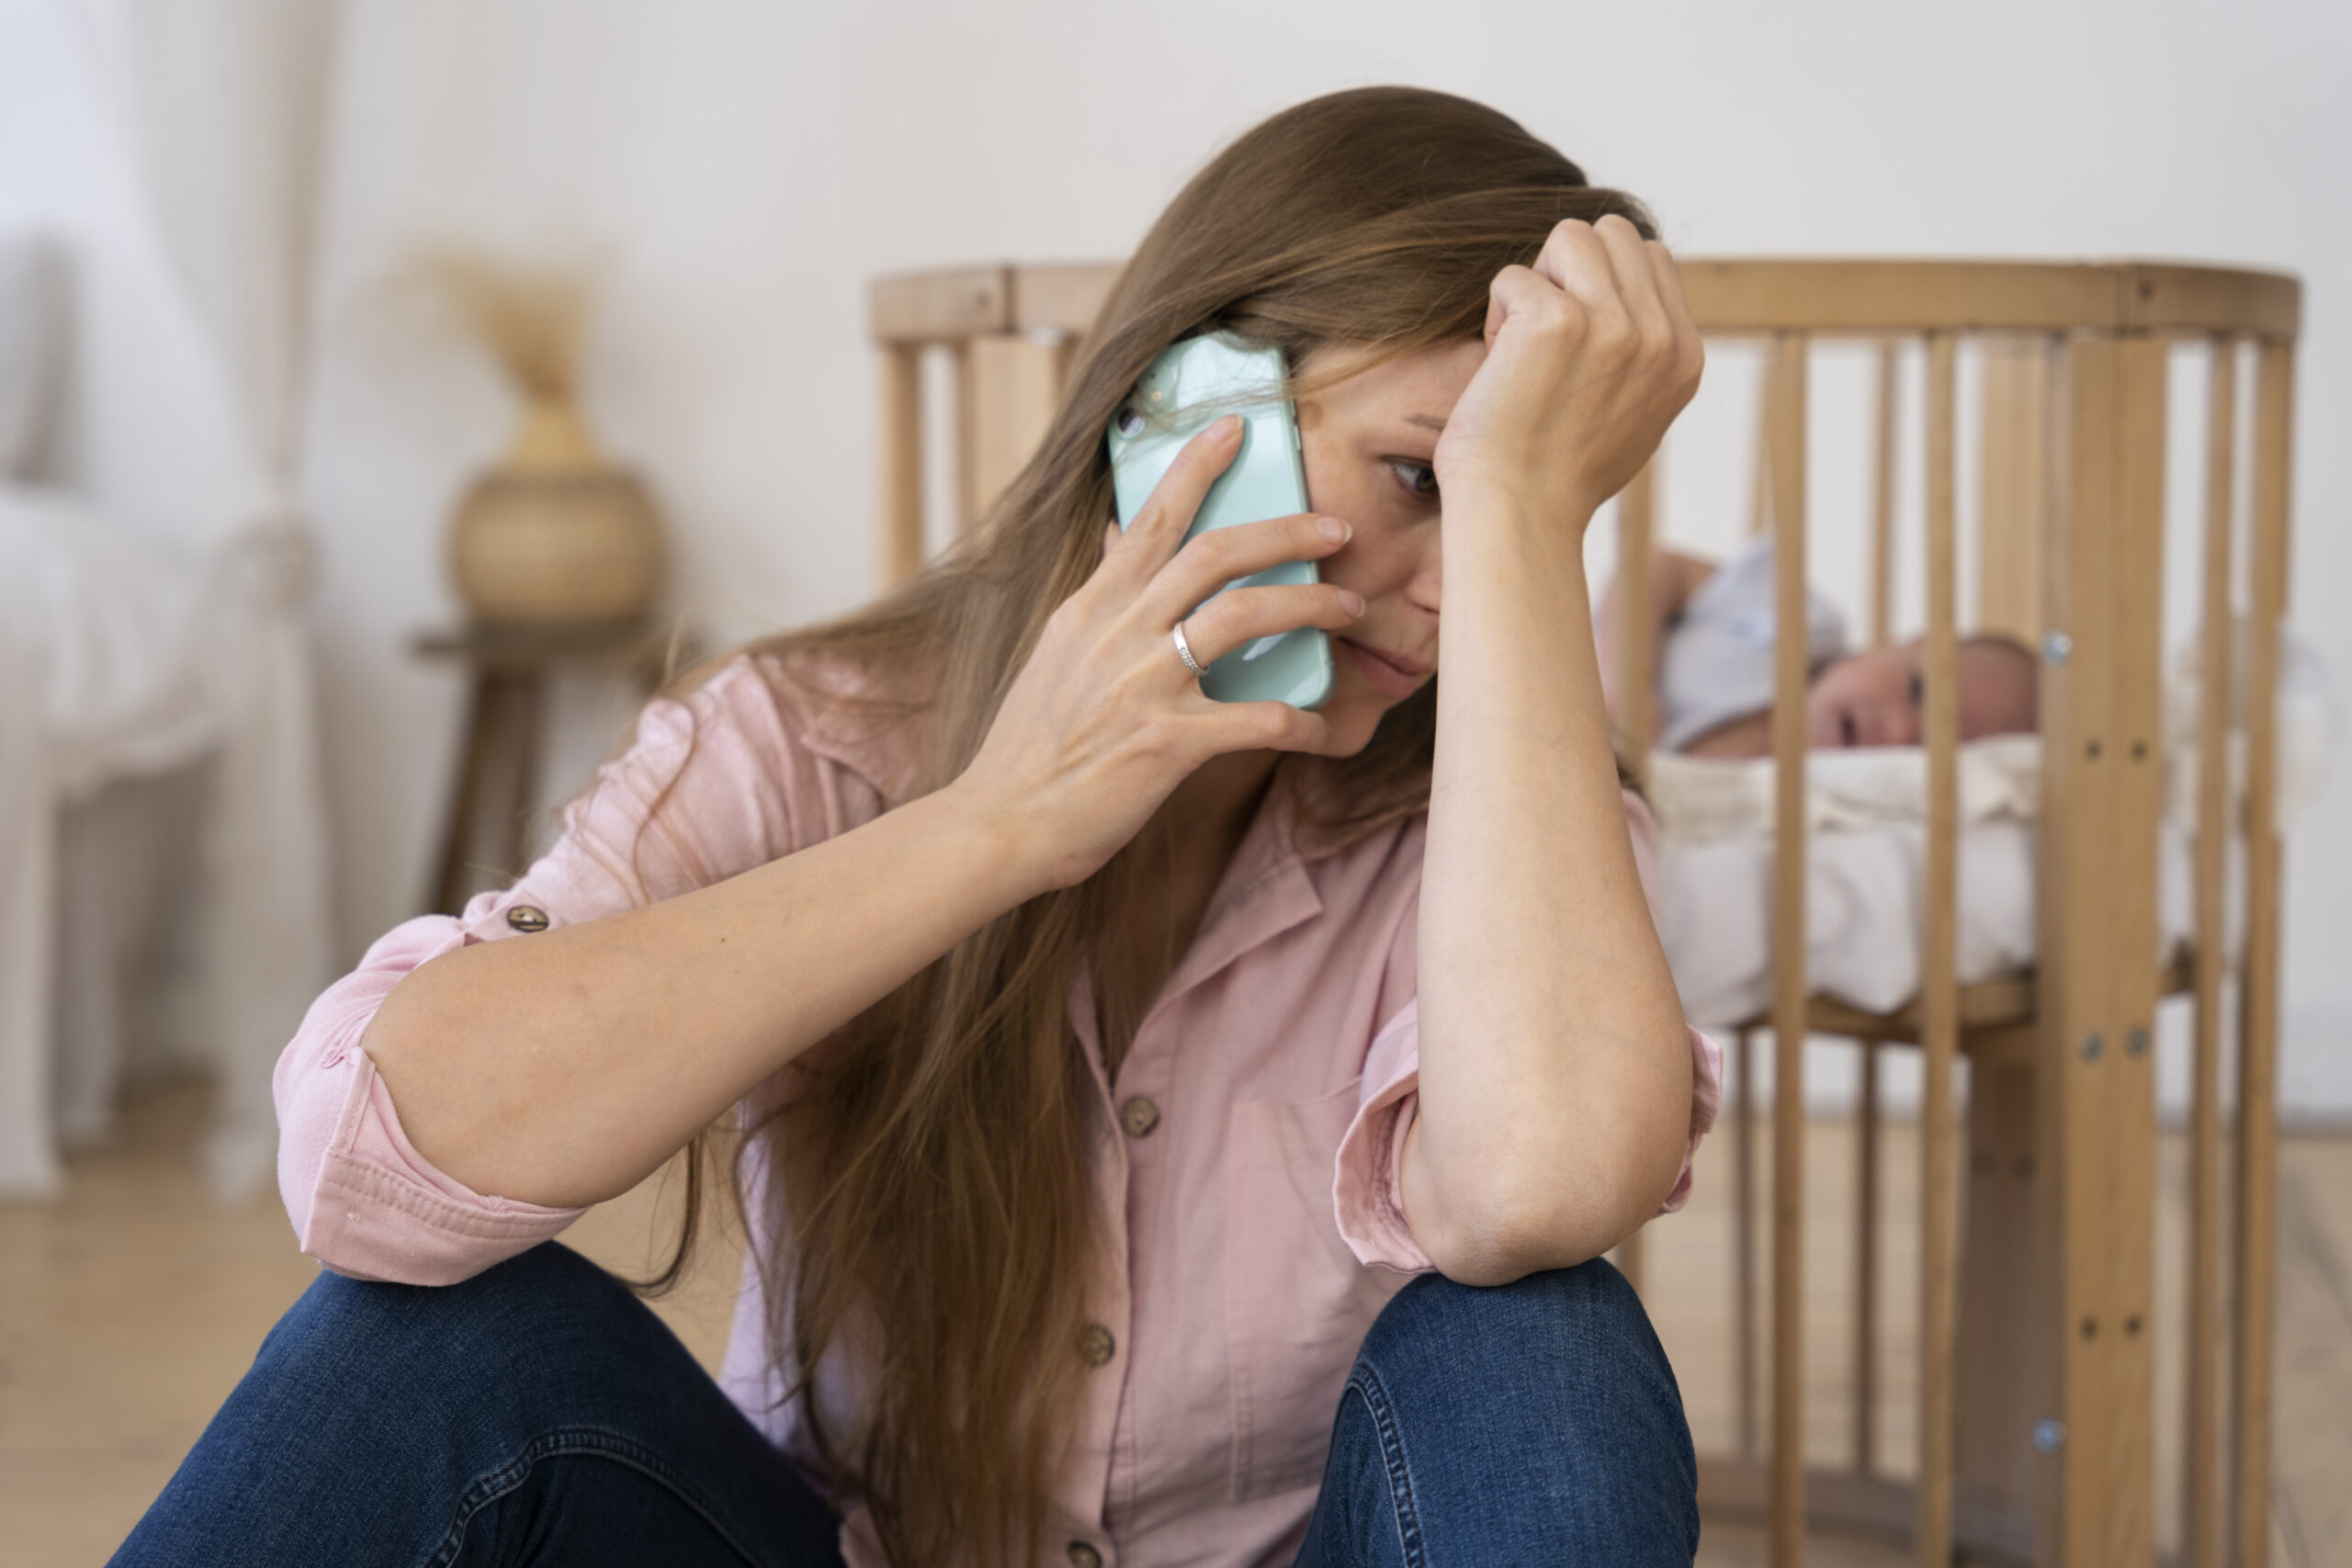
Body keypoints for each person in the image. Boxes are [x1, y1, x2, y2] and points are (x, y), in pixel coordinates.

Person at [116, 88, 1720, 1568]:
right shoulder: (806, 737)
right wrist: (997, 824)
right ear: (1179, 413)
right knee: (422, 1342)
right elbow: (368, 1170)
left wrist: (1515, 502)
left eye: (1527, 511)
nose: (1455, 601)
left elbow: (1538, 1189)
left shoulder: (1511, 832)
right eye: (1421, 478)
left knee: (1543, 1335)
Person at [1599, 536, 2040, 757]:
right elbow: (1652, 566)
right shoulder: (1802, 624)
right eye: (1918, 690)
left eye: (1929, 748)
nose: (1901, 729)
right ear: (1904, 643)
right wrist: (1622, 680)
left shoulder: (1807, 810)